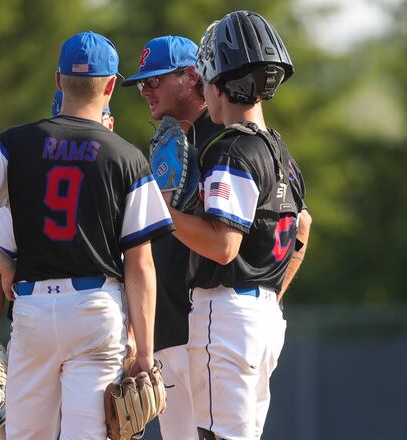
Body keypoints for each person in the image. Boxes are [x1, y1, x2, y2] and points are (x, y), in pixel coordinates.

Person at [0, 31, 173, 439]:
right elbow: (140, 264)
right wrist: (146, 352)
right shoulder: (127, 157)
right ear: (112, 85)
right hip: (95, 311)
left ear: (59, 80)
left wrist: (3, 264)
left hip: (33, 310)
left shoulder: (15, 143)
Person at [167, 11, 308, 439]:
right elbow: (302, 229)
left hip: (225, 316)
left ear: (217, 84)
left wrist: (159, 213)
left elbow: (224, 246)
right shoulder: (282, 153)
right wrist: (270, 297)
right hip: (263, 316)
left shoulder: (231, 148)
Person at [120, 35, 225, 440]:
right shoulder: (165, 145)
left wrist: (269, 303)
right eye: (141, 83)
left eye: (154, 80)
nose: (145, 91)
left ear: (191, 76)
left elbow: (296, 223)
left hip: (207, 328)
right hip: (164, 332)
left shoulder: (222, 138)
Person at [0, 92, 116, 340]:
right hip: (96, 314)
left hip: (41, 315)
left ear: (110, 123)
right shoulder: (124, 169)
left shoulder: (24, 176)